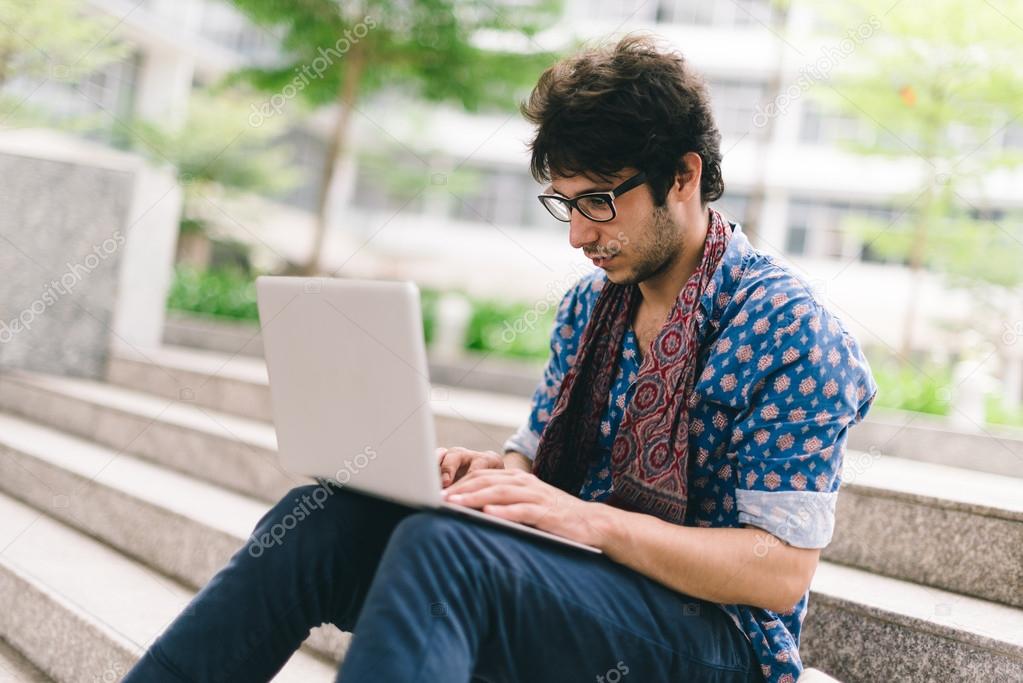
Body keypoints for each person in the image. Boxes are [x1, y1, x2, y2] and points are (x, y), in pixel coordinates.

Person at [125, 35, 877, 683]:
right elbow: (536, 464)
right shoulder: (591, 308)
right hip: (578, 583)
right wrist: (489, 476)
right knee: (320, 521)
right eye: (565, 203)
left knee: (444, 550)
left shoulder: (790, 331)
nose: (578, 236)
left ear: (681, 177)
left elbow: (780, 573)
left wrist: (589, 522)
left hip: (717, 642)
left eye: (599, 202)